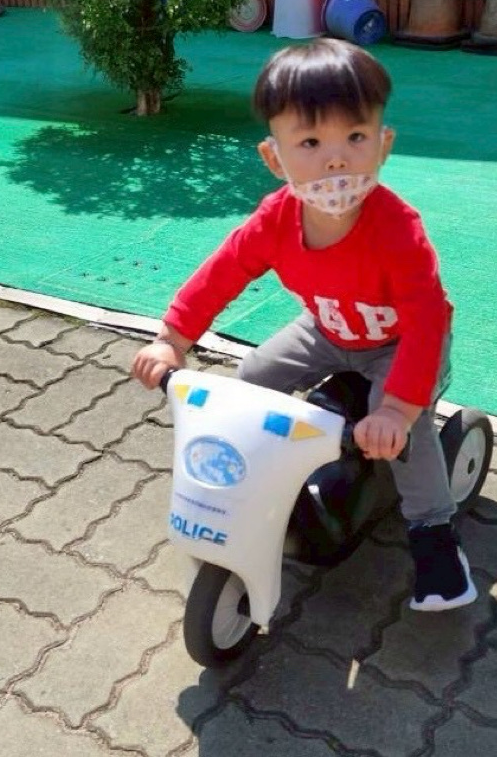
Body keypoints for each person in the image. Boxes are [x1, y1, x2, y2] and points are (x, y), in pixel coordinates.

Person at [132, 38, 475, 612]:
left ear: (383, 145)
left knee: (403, 428)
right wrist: (173, 338)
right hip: (328, 330)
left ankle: (434, 532)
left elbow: (425, 320)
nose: (336, 160)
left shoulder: (397, 229)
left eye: (355, 137)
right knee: (252, 377)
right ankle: (254, 486)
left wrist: (396, 409)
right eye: (311, 143)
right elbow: (224, 271)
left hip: (401, 344)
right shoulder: (276, 219)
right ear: (275, 158)